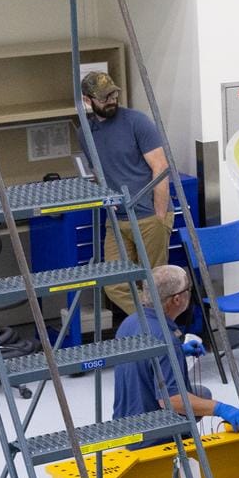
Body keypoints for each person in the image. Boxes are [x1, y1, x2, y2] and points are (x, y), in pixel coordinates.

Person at [80, 71, 177, 313]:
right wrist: (104, 196)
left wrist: (158, 215)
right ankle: (151, 324)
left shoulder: (136, 122)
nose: (111, 100)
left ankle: (161, 333)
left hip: (148, 216)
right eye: (104, 98)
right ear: (87, 100)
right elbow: (97, 171)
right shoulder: (85, 132)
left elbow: (161, 167)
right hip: (117, 220)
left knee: (156, 284)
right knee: (114, 284)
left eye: (113, 94)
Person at [111, 263, 239, 429]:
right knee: (201, 399)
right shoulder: (165, 337)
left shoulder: (130, 322)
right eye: (188, 289)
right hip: (152, 434)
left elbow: (144, 361)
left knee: (202, 393)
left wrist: (179, 352)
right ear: (177, 299)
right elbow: (172, 400)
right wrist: (221, 409)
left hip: (125, 422)